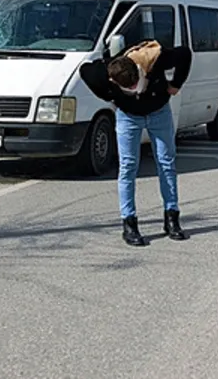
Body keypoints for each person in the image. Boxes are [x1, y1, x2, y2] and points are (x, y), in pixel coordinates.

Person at [79, 39, 193, 247]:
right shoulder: (105, 74)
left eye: (136, 82)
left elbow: (185, 53)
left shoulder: (154, 59)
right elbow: (85, 70)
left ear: (140, 70)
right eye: (128, 87)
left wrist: (176, 84)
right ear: (114, 82)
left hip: (159, 112)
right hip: (129, 117)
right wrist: (107, 95)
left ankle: (172, 218)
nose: (135, 89)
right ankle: (129, 224)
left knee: (166, 163)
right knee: (128, 167)